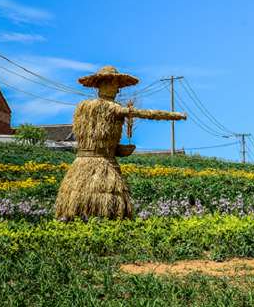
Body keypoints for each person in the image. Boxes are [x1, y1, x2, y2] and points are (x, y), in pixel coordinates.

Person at [54, 66, 185, 220]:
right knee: (110, 203)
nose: (117, 91)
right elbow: (146, 114)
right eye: (115, 85)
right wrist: (177, 115)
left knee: (74, 202)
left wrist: (115, 148)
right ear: (104, 84)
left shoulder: (82, 107)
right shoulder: (112, 108)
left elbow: (97, 138)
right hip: (103, 165)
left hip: (80, 166)